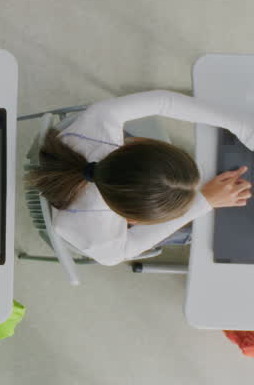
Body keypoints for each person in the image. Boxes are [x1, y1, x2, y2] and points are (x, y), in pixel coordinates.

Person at [26, 89, 254, 265]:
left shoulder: (102, 120)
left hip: (79, 188)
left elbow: (163, 100)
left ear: (135, 145)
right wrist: (204, 201)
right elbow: (129, 248)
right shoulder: (101, 240)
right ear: (132, 221)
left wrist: (243, 127)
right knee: (197, 230)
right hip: (85, 216)